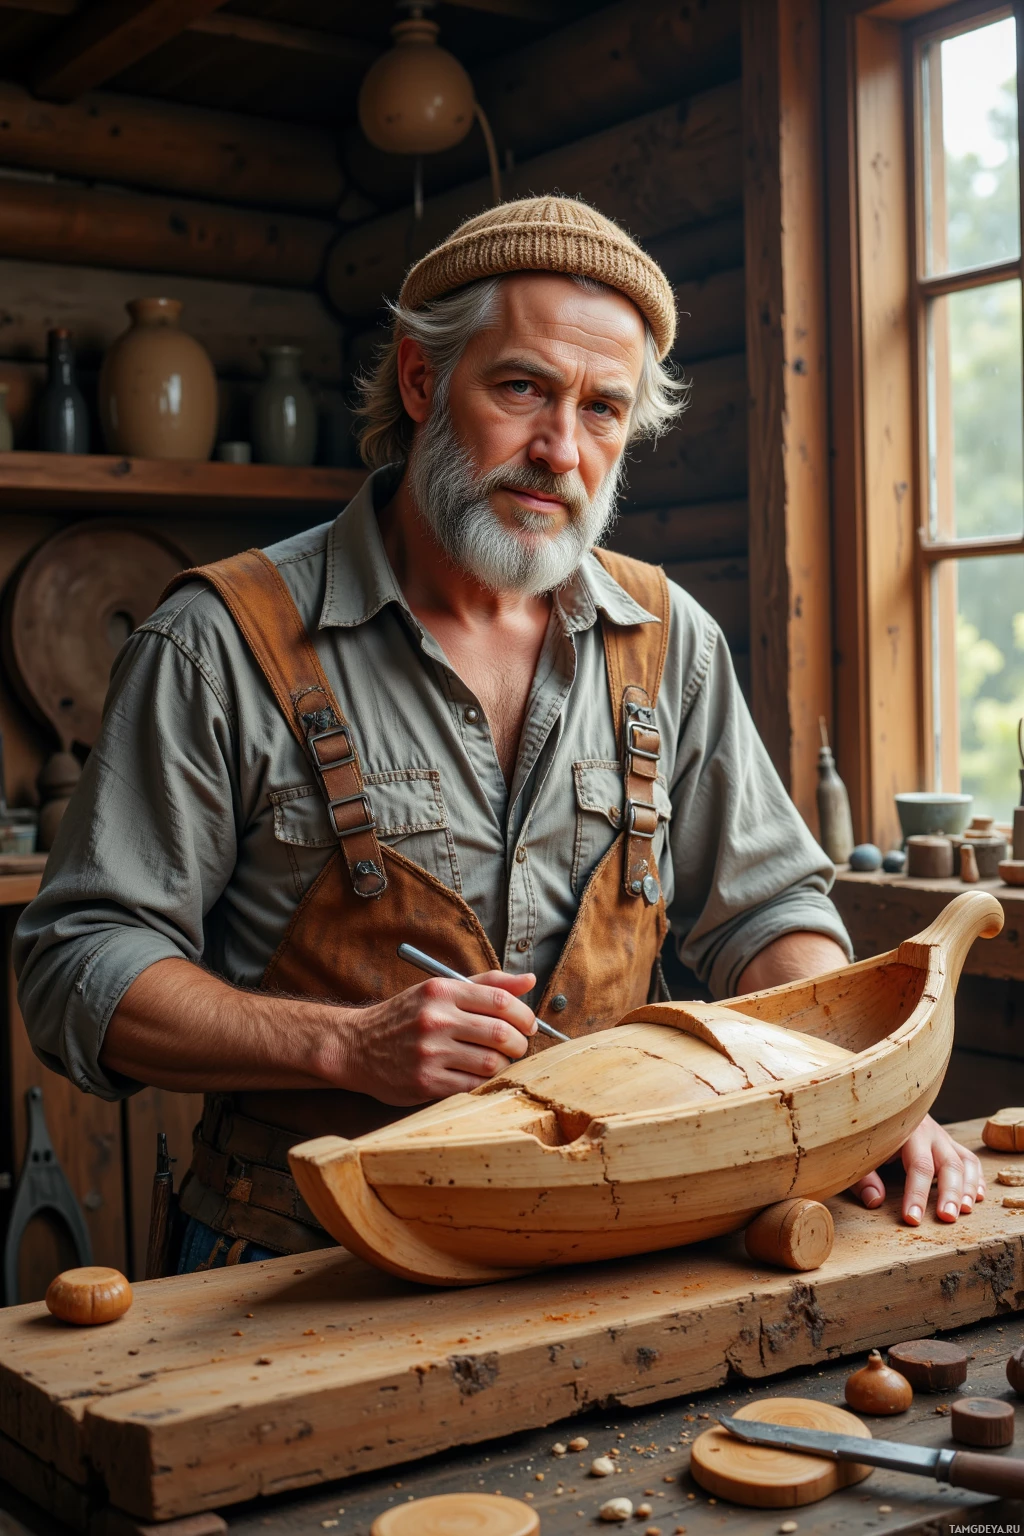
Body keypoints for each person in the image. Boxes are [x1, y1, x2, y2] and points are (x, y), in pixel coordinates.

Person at [15, 197, 982, 1272]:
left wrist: (847, 1096)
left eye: (603, 410)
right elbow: (77, 965)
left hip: (626, 1247)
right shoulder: (218, 643)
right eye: (521, 387)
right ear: (424, 383)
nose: (559, 450)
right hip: (297, 1263)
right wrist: (342, 1045)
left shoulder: (671, 643)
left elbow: (767, 914)